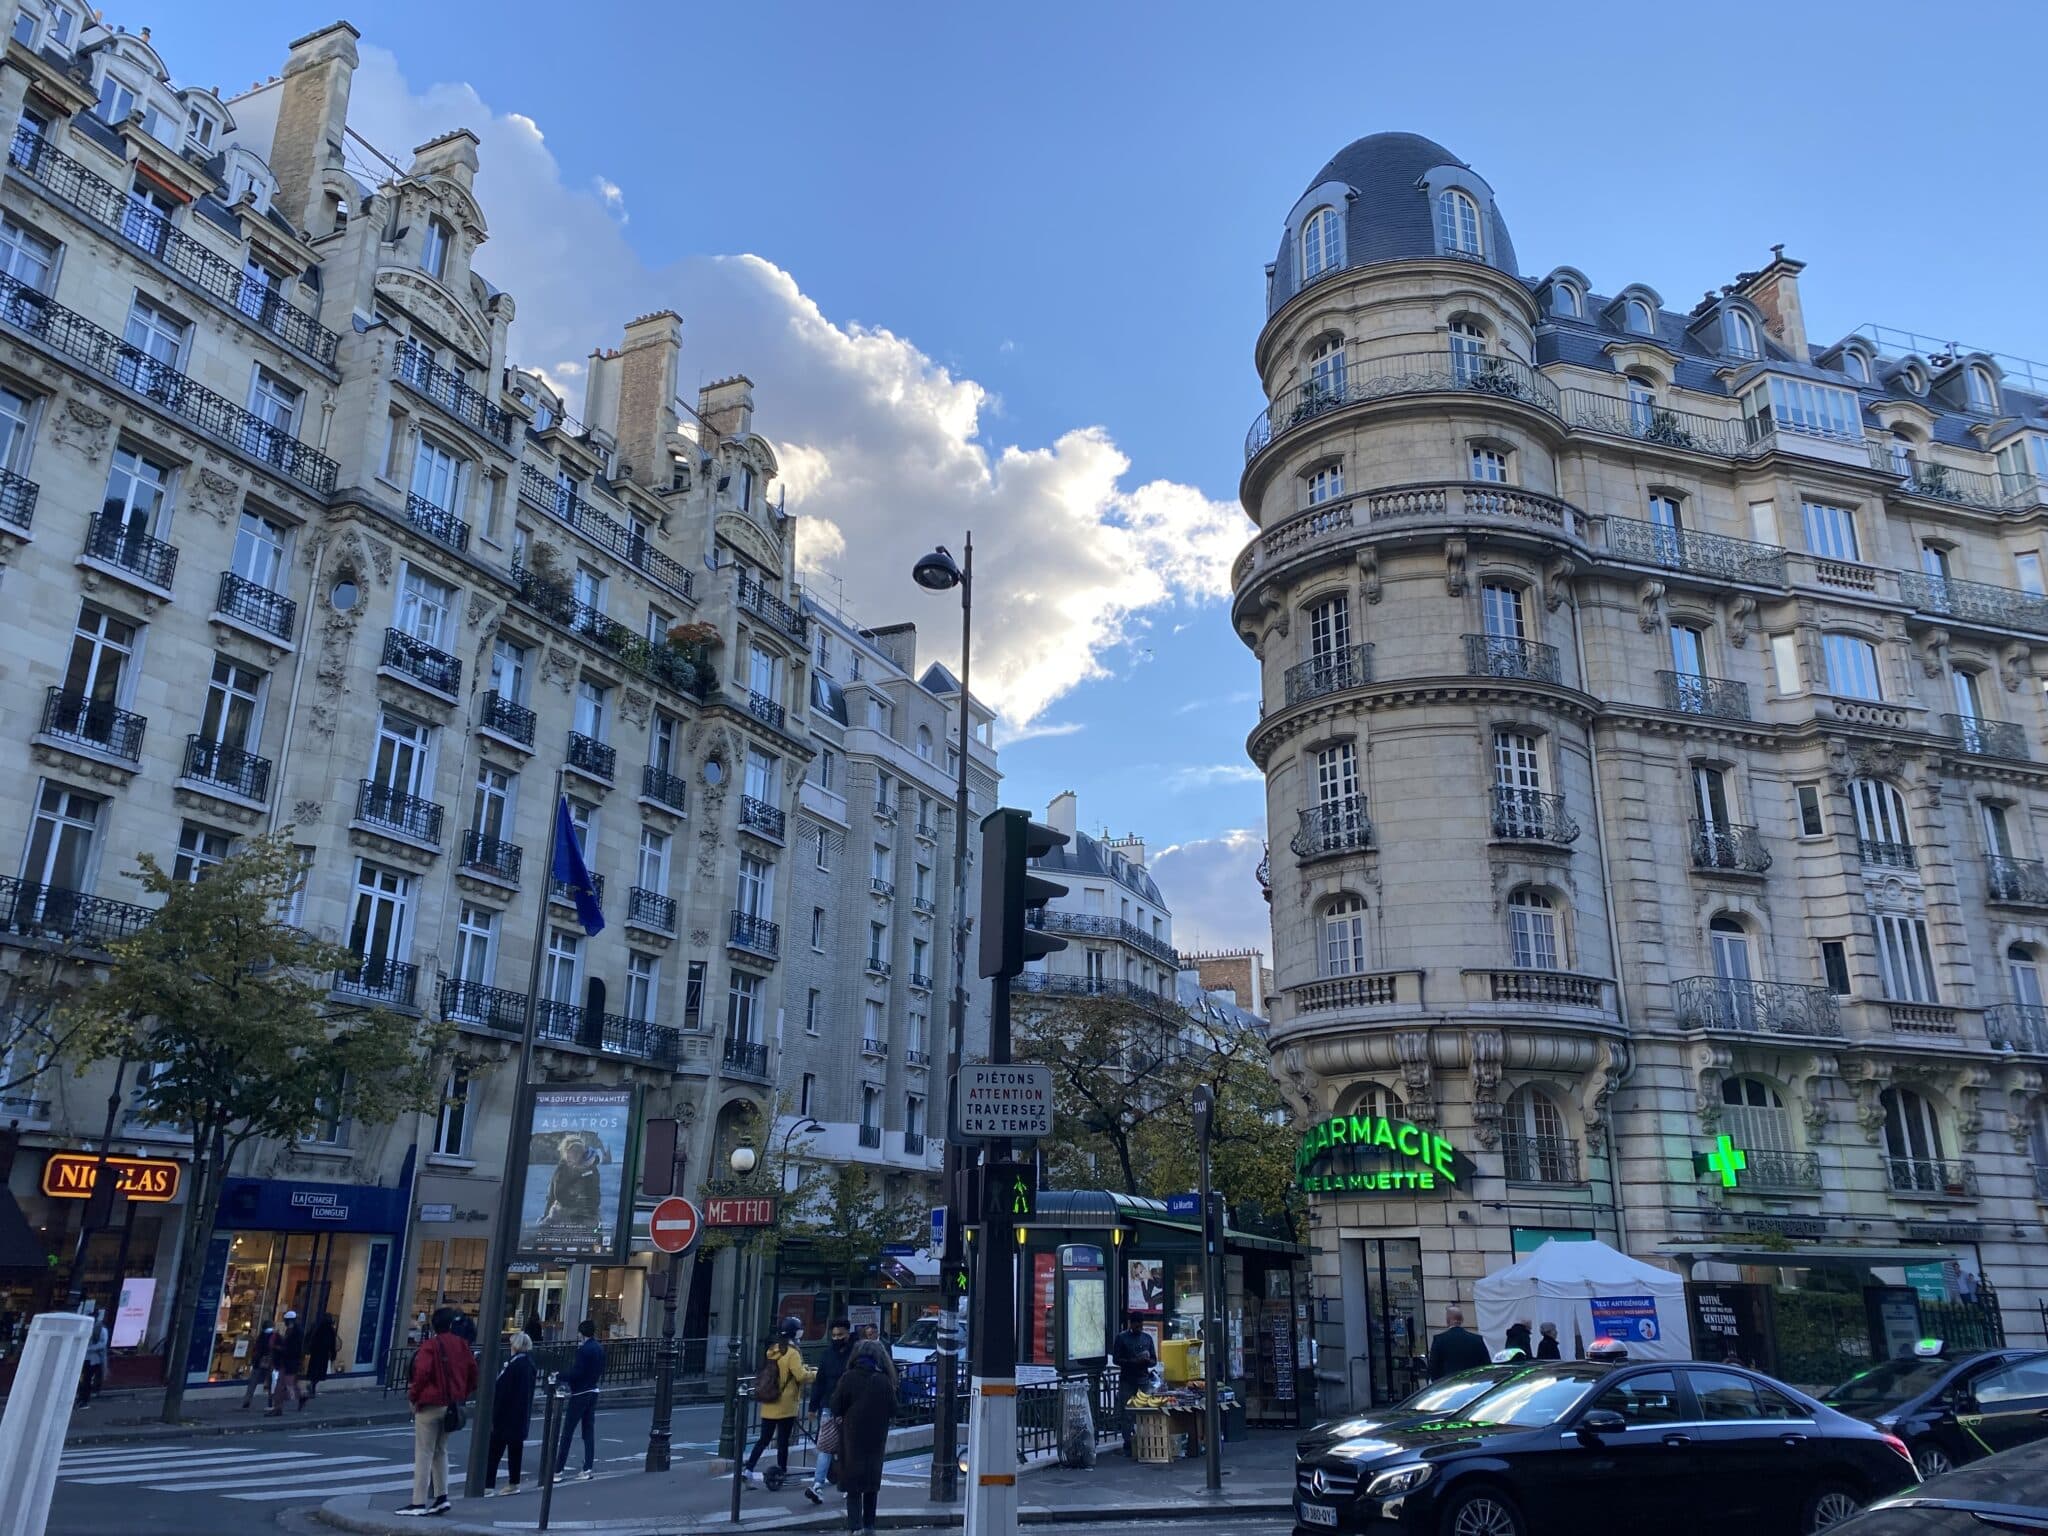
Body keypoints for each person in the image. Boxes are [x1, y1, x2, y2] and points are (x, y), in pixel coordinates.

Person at [397, 1305, 476, 1518]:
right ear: (452, 1325)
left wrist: (413, 1398)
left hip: (430, 1403)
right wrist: (461, 1394)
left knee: (424, 1452)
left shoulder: (430, 1345)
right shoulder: (462, 1345)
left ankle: (418, 1501)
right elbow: (473, 1374)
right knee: (441, 1450)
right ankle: (442, 1497)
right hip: (451, 1404)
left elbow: (421, 1374)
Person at [830, 1339, 897, 1536]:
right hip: (876, 1438)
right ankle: (869, 1526)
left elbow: (836, 1406)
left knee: (852, 1485)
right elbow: (894, 1409)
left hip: (851, 1438)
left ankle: (854, 1527)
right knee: (871, 1483)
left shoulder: (848, 1377)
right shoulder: (884, 1380)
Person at [745, 1317, 814, 1489]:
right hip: (786, 1403)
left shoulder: (773, 1350)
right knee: (783, 1441)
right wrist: (816, 1373)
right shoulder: (792, 1353)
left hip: (769, 1401)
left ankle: (748, 1470)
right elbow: (800, 1376)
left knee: (764, 1439)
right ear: (796, 1333)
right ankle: (781, 1471)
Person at [805, 1317, 855, 1505]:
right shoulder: (828, 1355)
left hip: (847, 1406)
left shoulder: (853, 1353)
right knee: (826, 1447)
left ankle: (843, 1484)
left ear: (848, 1334)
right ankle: (818, 1485)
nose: (836, 1338)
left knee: (839, 1448)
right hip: (831, 1406)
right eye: (834, 1335)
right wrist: (813, 1406)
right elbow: (820, 1382)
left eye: (840, 1335)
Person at [484, 1331, 537, 1496]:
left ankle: (488, 1485)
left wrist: (494, 1413)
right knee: (515, 1450)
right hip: (519, 1415)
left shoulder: (515, 1365)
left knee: (494, 1452)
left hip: (506, 1415)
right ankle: (513, 1482)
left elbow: (503, 1391)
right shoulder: (528, 1364)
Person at [553, 1318, 606, 1482]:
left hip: (580, 1393)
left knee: (567, 1432)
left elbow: (577, 1372)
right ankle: (587, 1468)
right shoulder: (598, 1348)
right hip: (593, 1390)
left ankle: (558, 1470)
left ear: (582, 1333)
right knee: (588, 1431)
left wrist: (559, 1375)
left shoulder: (584, 1350)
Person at [1110, 1316, 1157, 1455]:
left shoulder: (1147, 1338)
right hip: (1128, 1379)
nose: (1139, 1326)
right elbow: (1116, 1359)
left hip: (1143, 1378)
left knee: (1146, 1410)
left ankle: (1145, 1439)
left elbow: (1154, 1359)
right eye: (1137, 1323)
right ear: (1131, 1323)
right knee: (1128, 1411)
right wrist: (1132, 1361)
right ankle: (1128, 1442)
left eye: (1141, 1324)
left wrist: (1147, 1361)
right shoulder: (1122, 1338)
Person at [1426, 1306, 1490, 1380]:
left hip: (1448, 1385)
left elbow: (1433, 1369)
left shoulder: (1439, 1340)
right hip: (1472, 1384)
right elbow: (1486, 1366)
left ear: (1447, 1320)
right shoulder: (1477, 1339)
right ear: (1462, 1320)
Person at [268, 1309, 305, 1414]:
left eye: (286, 1320)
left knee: (286, 1385)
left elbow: (292, 1348)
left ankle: (300, 1396)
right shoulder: (294, 1331)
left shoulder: (294, 1332)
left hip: (290, 1362)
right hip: (290, 1361)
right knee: (285, 1385)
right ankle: (278, 1407)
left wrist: (278, 1348)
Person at [239, 1319, 277, 1409]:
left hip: (258, 1362)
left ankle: (247, 1401)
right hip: (270, 1362)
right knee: (271, 1384)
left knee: (253, 1383)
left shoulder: (261, 1336)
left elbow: (256, 1349)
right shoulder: (274, 1336)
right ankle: (271, 1403)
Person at [76, 1309, 108, 1409]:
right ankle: (80, 1398)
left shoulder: (101, 1329)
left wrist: (88, 1348)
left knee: (87, 1380)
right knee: (81, 1379)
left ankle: (84, 1400)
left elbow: (102, 1344)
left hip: (93, 1360)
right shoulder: (84, 1327)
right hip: (83, 1358)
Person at [304, 1312, 341, 1399]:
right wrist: (333, 1355)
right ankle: (313, 1387)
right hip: (323, 1354)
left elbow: (311, 1339)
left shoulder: (318, 1327)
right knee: (320, 1373)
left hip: (315, 1353)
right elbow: (332, 1344)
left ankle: (312, 1387)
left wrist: (310, 1349)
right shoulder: (330, 1330)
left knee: (314, 1371)